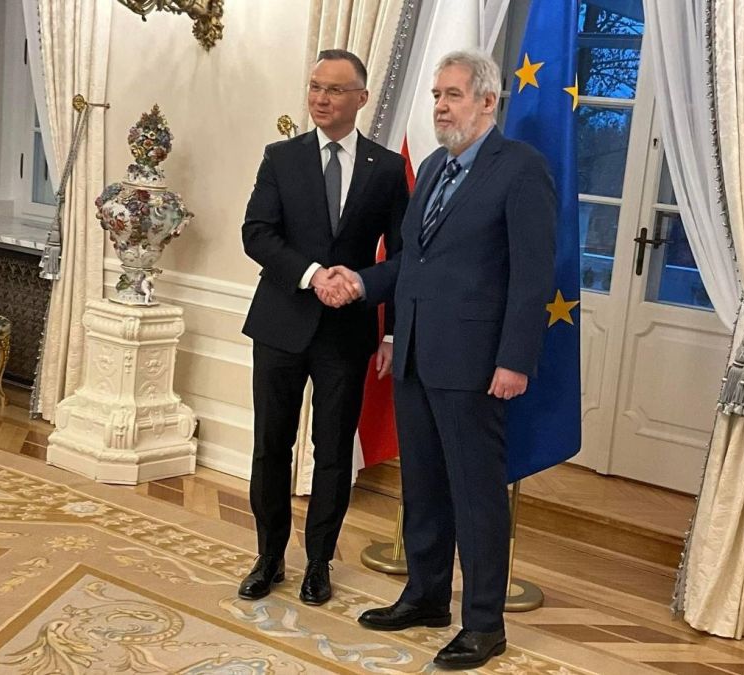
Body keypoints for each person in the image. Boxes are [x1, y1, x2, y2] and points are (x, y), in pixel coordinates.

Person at [319, 49, 555, 670]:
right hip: (417, 357)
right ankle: (426, 597)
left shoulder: (521, 169)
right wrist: (362, 283)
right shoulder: (430, 166)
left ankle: (484, 624)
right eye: (436, 96)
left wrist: (515, 360)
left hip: (477, 365)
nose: (441, 107)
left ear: (487, 101)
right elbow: (412, 263)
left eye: (453, 95)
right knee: (422, 485)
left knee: (476, 496)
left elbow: (533, 276)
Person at [238, 49, 408, 606]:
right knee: (271, 446)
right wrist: (314, 276)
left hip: (347, 333)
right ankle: (268, 557)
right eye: (315, 87)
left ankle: (318, 563)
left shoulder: (386, 169)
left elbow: (402, 257)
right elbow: (257, 234)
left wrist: (385, 325)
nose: (321, 98)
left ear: (361, 98)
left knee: (333, 452)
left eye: (334, 90)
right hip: (281, 324)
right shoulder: (280, 157)